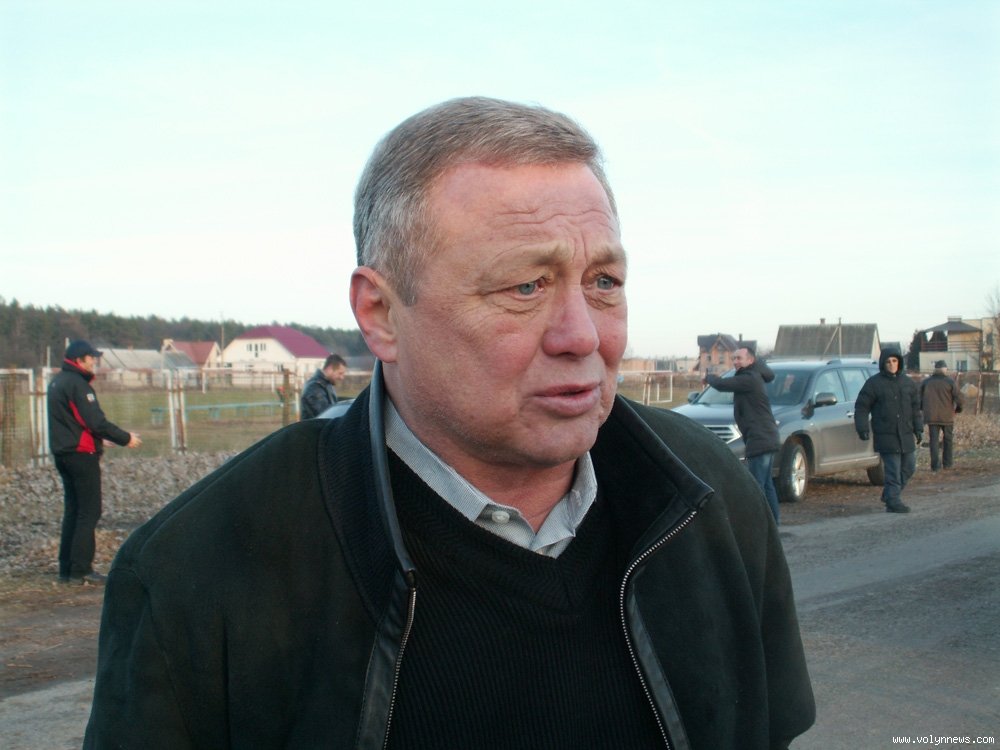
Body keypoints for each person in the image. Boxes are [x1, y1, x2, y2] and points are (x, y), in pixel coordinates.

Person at [85, 97, 814, 749]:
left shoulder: (710, 500)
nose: (582, 335)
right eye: (524, 285)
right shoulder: (201, 568)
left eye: (603, 282)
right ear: (381, 314)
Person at [47, 340, 141, 585]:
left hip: (64, 453)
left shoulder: (57, 382)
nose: (94, 361)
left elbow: (71, 423)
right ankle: (81, 570)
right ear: (79, 360)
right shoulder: (78, 385)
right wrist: (125, 438)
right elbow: (95, 422)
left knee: (74, 510)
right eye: (91, 357)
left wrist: (100, 441)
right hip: (81, 456)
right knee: (89, 511)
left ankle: (66, 568)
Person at [703, 345, 781, 523]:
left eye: (739, 358)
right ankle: (773, 524)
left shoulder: (749, 378)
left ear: (750, 360)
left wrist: (709, 377)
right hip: (766, 437)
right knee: (767, 484)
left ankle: (759, 525)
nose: (735, 362)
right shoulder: (753, 375)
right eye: (734, 358)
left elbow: (723, 385)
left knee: (756, 486)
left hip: (760, 438)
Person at [854, 347, 922, 513]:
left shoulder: (908, 383)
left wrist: (918, 428)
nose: (891, 364)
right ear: (883, 364)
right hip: (886, 434)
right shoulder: (874, 384)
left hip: (906, 433)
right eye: (888, 361)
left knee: (909, 467)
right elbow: (862, 407)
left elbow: (915, 409)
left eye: (894, 361)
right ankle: (893, 502)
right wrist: (862, 427)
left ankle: (890, 494)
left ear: (899, 362)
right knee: (893, 470)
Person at [920, 359, 963, 471]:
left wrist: (923, 409)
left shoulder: (926, 382)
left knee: (933, 441)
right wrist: (958, 409)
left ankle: (935, 466)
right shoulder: (950, 382)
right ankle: (947, 464)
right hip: (947, 416)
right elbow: (959, 398)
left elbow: (919, 398)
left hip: (931, 416)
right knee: (948, 439)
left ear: (935, 369)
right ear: (945, 369)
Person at [300, 353, 348, 418]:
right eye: (340, 373)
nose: (342, 378)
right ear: (330, 369)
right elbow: (326, 415)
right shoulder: (315, 387)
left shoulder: (327, 384)